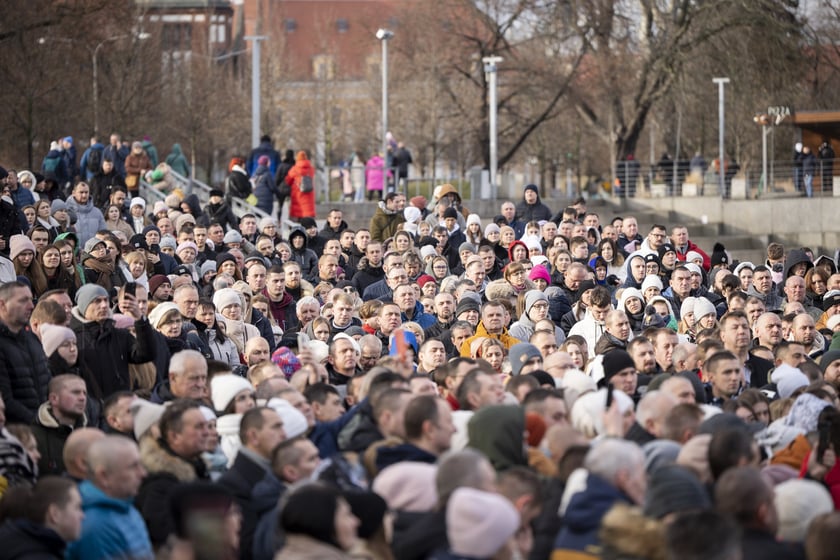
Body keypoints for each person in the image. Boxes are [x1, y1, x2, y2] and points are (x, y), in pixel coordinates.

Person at [65, 436, 152, 560]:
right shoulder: (95, 526)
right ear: (103, 476)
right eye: (133, 467)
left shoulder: (125, 506)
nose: (143, 473)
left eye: (141, 465)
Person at [0, 282, 51, 423]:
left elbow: (46, 379)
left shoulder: (31, 338)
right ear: (2, 305)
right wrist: (38, 422)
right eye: (23, 301)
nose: (31, 306)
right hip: (18, 430)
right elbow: (6, 400)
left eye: (30, 299)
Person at [0, 476, 84, 560]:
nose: (82, 516)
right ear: (54, 514)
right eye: (77, 507)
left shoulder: (13, 538)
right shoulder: (37, 555)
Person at [285, 151, 316, 220]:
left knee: (297, 218)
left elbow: (288, 180)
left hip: (298, 194)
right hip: (309, 195)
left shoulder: (294, 169)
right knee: (308, 218)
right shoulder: (311, 169)